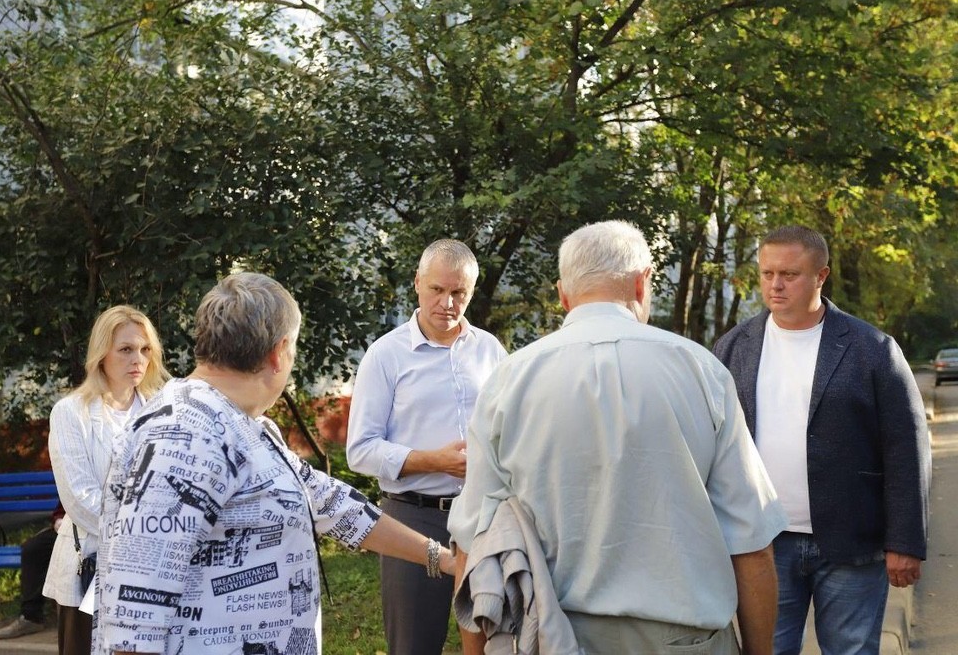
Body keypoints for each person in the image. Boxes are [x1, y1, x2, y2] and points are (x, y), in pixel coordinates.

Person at [448, 220, 788, 655]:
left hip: (555, 637)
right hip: (686, 640)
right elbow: (751, 544)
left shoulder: (508, 382)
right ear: (643, 283)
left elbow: (474, 543)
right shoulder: (701, 371)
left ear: (562, 294)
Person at [94, 272, 455, 655]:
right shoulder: (180, 433)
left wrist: (442, 559)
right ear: (278, 352)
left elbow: (330, 503)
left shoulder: (243, 425)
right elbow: (134, 621)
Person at [713, 224, 930, 655]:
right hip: (763, 544)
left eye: (790, 274)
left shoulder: (872, 348)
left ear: (821, 276)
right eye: (767, 273)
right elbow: (712, 444)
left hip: (854, 541)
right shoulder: (733, 348)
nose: (775, 285)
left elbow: (906, 446)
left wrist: (905, 541)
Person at [347, 239, 507, 655]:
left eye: (459, 293)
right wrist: (431, 461)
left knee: (496, 642)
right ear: (417, 283)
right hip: (412, 519)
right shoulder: (386, 355)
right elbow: (360, 450)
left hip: (486, 517)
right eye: (437, 290)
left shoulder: (491, 351)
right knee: (414, 646)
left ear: (472, 291)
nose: (448, 303)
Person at [42, 306, 169, 655]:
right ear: (102, 354)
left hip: (153, 570)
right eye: (126, 349)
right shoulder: (71, 412)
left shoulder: (162, 410)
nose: (138, 359)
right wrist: (143, 533)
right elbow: (79, 498)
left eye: (145, 349)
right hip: (91, 566)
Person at [0, 502, 65, 639]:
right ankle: (31, 617)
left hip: (94, 530)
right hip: (68, 528)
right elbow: (64, 503)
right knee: (33, 549)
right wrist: (58, 519)